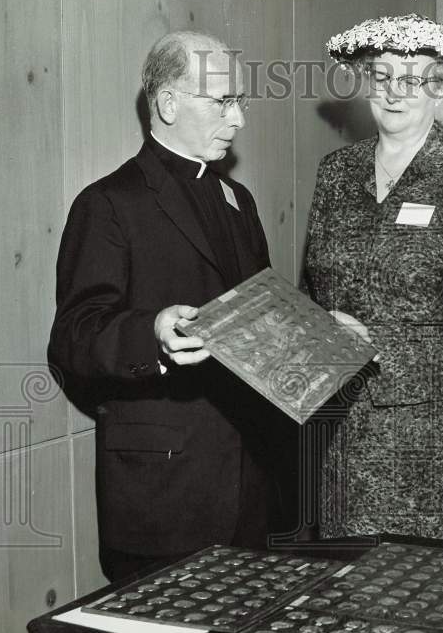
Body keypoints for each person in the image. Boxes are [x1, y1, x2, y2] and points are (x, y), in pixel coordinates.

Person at [49, 31, 283, 581]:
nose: (239, 120)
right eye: (223, 102)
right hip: (163, 497)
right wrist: (150, 333)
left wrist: (321, 329)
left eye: (240, 102)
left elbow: (260, 316)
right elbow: (74, 335)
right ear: (169, 102)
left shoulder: (237, 201)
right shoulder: (107, 204)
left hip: (251, 489)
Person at [301, 14, 443, 543]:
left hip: (435, 432)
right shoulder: (336, 172)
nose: (395, 92)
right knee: (348, 594)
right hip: (342, 422)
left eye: (416, 78)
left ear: (440, 88)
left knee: (429, 595)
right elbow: (310, 289)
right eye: (382, 76)